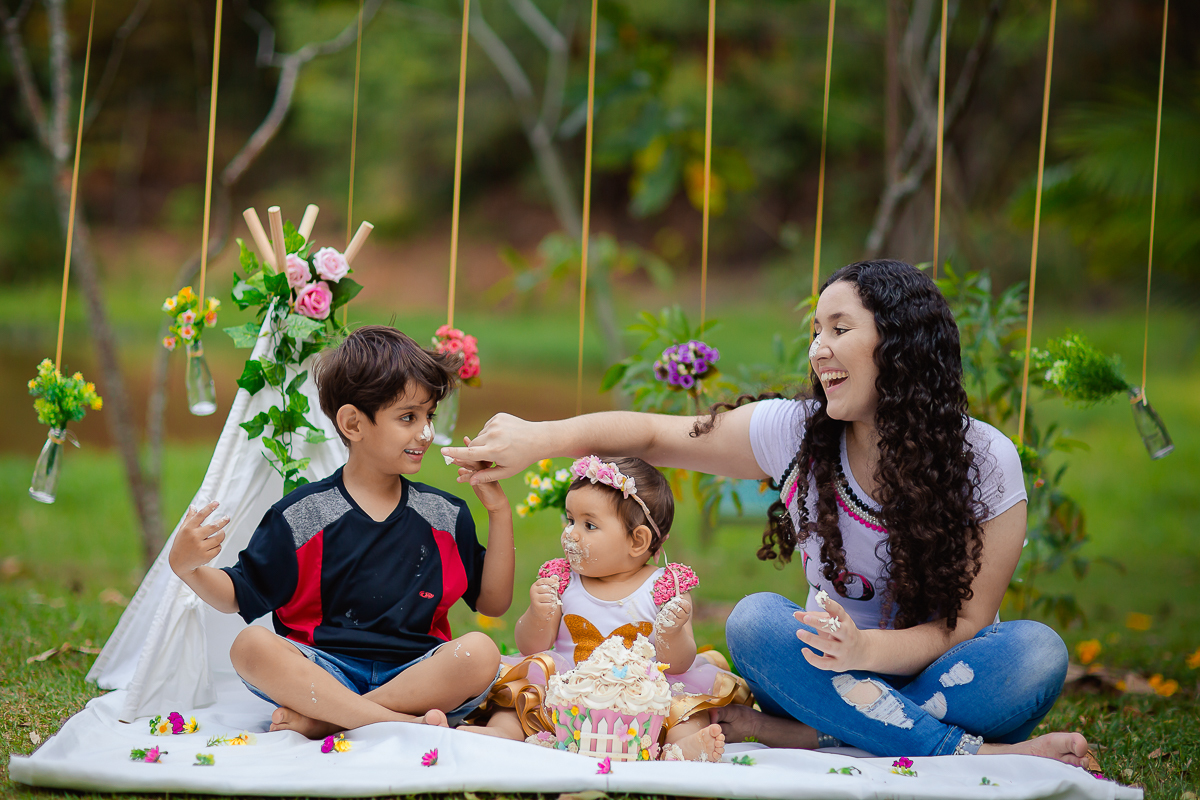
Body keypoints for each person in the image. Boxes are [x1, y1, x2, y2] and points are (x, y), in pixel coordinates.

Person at [443, 260, 1089, 766]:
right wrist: (541, 437)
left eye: (840, 330)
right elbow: (654, 435)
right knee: (755, 624)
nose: (819, 350)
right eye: (816, 332)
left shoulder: (986, 460)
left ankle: (826, 732)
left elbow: (966, 626)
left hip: (946, 674)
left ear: (900, 344)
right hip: (821, 672)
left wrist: (866, 647)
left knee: (1037, 654)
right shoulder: (797, 433)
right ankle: (961, 750)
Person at [169, 325, 514, 738]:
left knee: (481, 651)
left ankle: (333, 721)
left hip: (417, 675)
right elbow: (236, 595)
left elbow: (493, 604)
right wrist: (187, 568)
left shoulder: (445, 514)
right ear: (353, 423)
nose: (425, 432)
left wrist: (499, 511)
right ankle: (400, 724)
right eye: (408, 417)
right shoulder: (302, 515)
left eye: (428, 416)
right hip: (324, 673)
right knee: (250, 645)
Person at [461, 455, 749, 761]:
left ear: (637, 541)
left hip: (643, 701)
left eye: (589, 525)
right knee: (522, 697)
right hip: (568, 695)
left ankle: (680, 746)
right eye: (570, 520)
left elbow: (678, 664)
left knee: (685, 706)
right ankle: (502, 732)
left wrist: (671, 632)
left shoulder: (665, 587)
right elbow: (531, 647)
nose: (571, 534)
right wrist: (538, 613)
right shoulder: (562, 579)